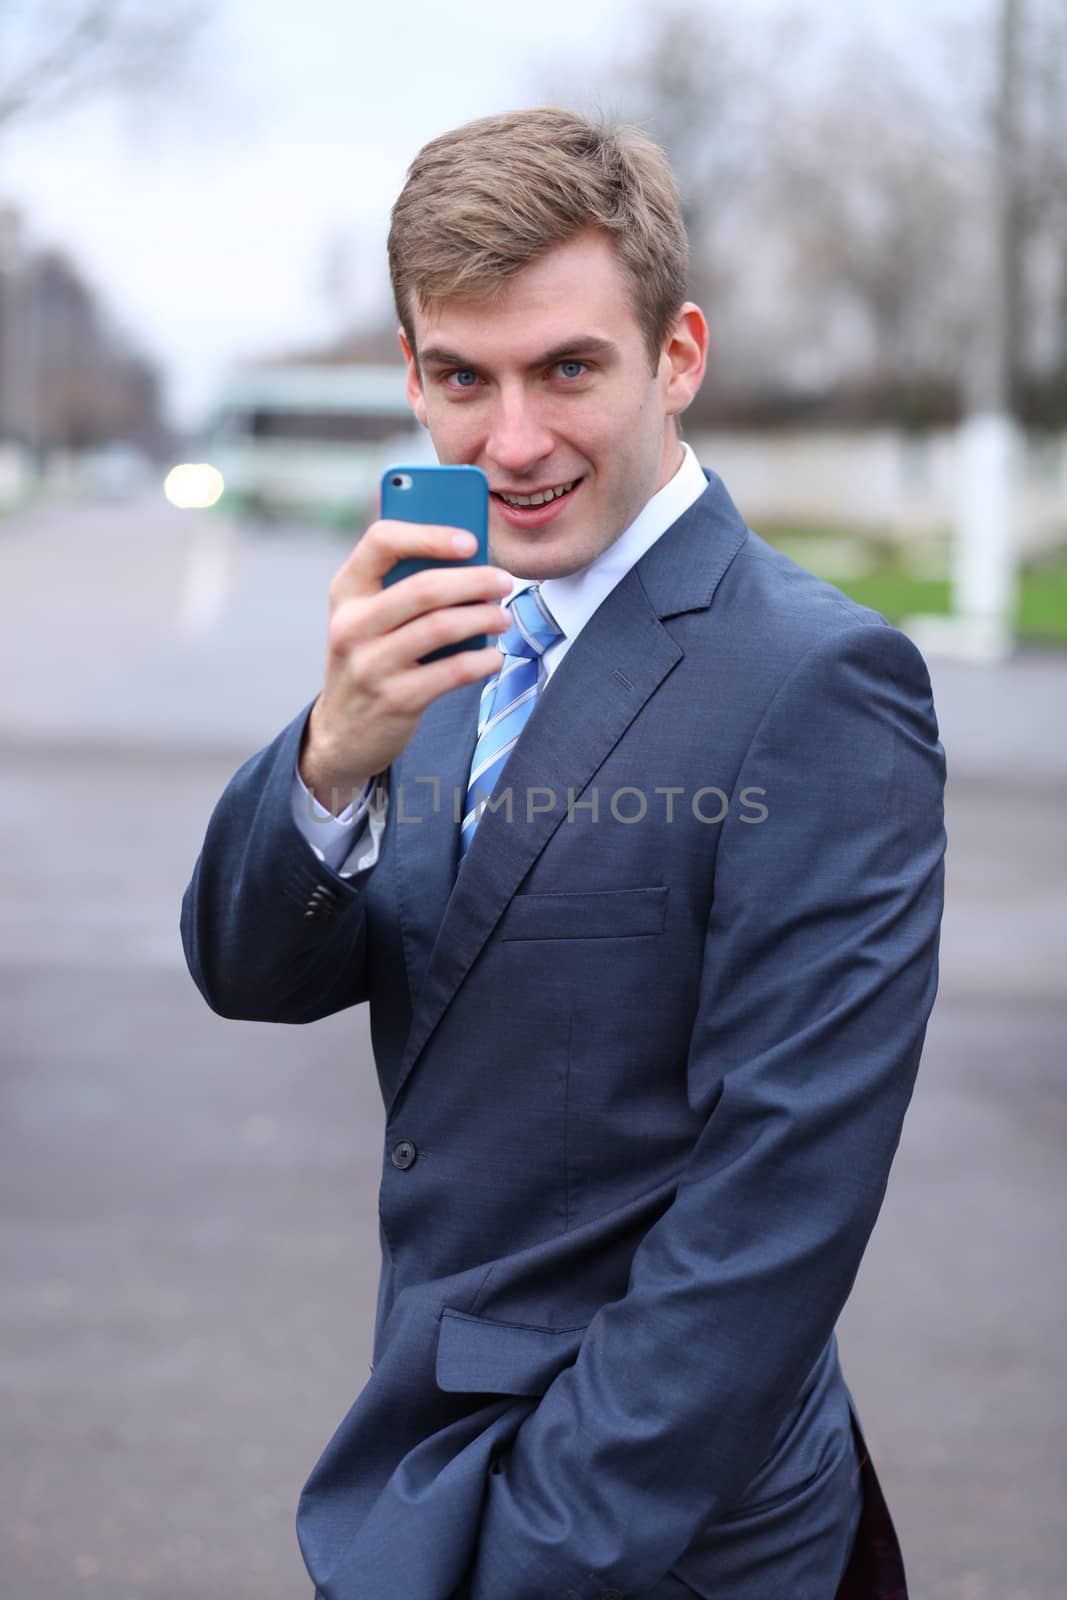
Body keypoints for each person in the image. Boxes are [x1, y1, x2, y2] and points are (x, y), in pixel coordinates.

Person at [181, 107, 945, 1600]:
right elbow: (248, 970)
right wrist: (336, 749)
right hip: (438, 1464)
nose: (511, 442)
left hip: (659, 1527)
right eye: (462, 378)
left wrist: (537, 1548)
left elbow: (775, 1209)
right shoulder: (452, 633)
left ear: (679, 357)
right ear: (411, 373)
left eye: (569, 370)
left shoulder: (818, 683)